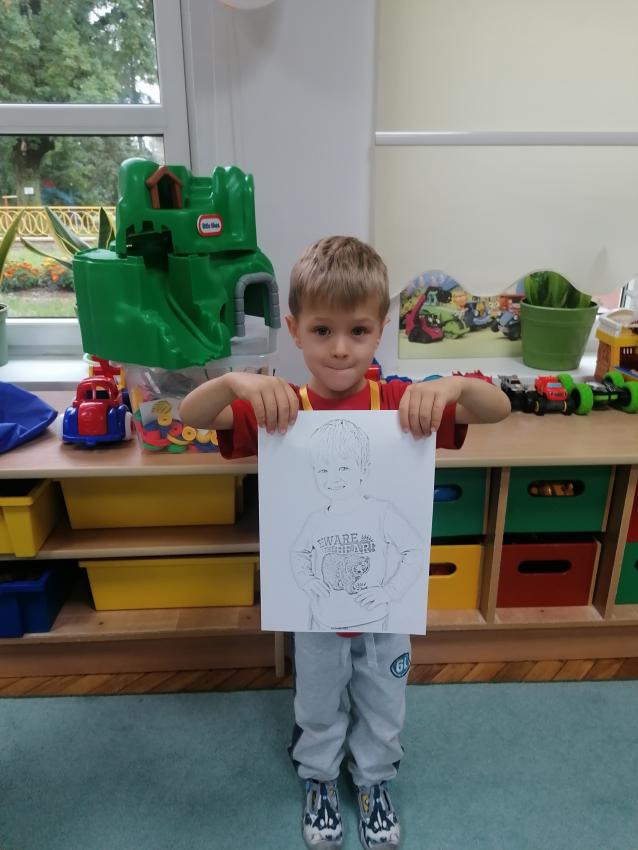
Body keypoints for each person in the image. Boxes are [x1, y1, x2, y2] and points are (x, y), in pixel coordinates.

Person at [179, 235, 511, 850]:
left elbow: (497, 409)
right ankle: (320, 777)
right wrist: (236, 383)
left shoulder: (400, 403)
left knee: (384, 699)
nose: (339, 348)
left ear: (381, 329)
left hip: (386, 610)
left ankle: (375, 779)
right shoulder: (282, 406)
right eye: (322, 330)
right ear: (294, 330)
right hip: (315, 614)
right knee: (317, 700)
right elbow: (190, 416)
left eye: (358, 331)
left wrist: (454, 388)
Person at [294, 416, 424, 633]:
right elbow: (299, 552)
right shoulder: (315, 521)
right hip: (323, 620)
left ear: (364, 469)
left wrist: (390, 591)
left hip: (371, 619)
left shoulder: (382, 513)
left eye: (343, 468)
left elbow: (415, 551)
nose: (333, 478)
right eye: (323, 470)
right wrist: (306, 580)